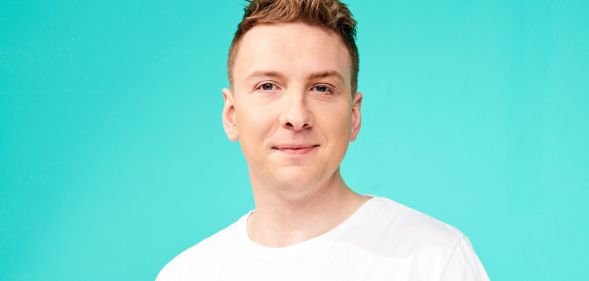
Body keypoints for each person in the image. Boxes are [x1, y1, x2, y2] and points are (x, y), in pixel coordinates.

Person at [157, 0, 490, 280]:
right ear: (232, 115)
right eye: (268, 86)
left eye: (322, 88)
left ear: (354, 116)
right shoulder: (186, 273)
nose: (296, 116)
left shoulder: (434, 261)